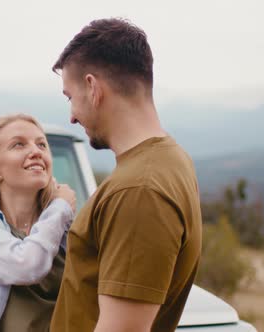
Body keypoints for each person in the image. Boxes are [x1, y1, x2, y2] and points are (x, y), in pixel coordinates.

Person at [49, 18, 202, 332]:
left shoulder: (139, 189)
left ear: (92, 88)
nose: (72, 116)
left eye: (70, 97)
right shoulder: (170, 160)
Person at [0, 113, 77, 332]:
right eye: (19, 145)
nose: (36, 151)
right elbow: (27, 265)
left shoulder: (64, 225)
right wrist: (59, 208)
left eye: (42, 144)